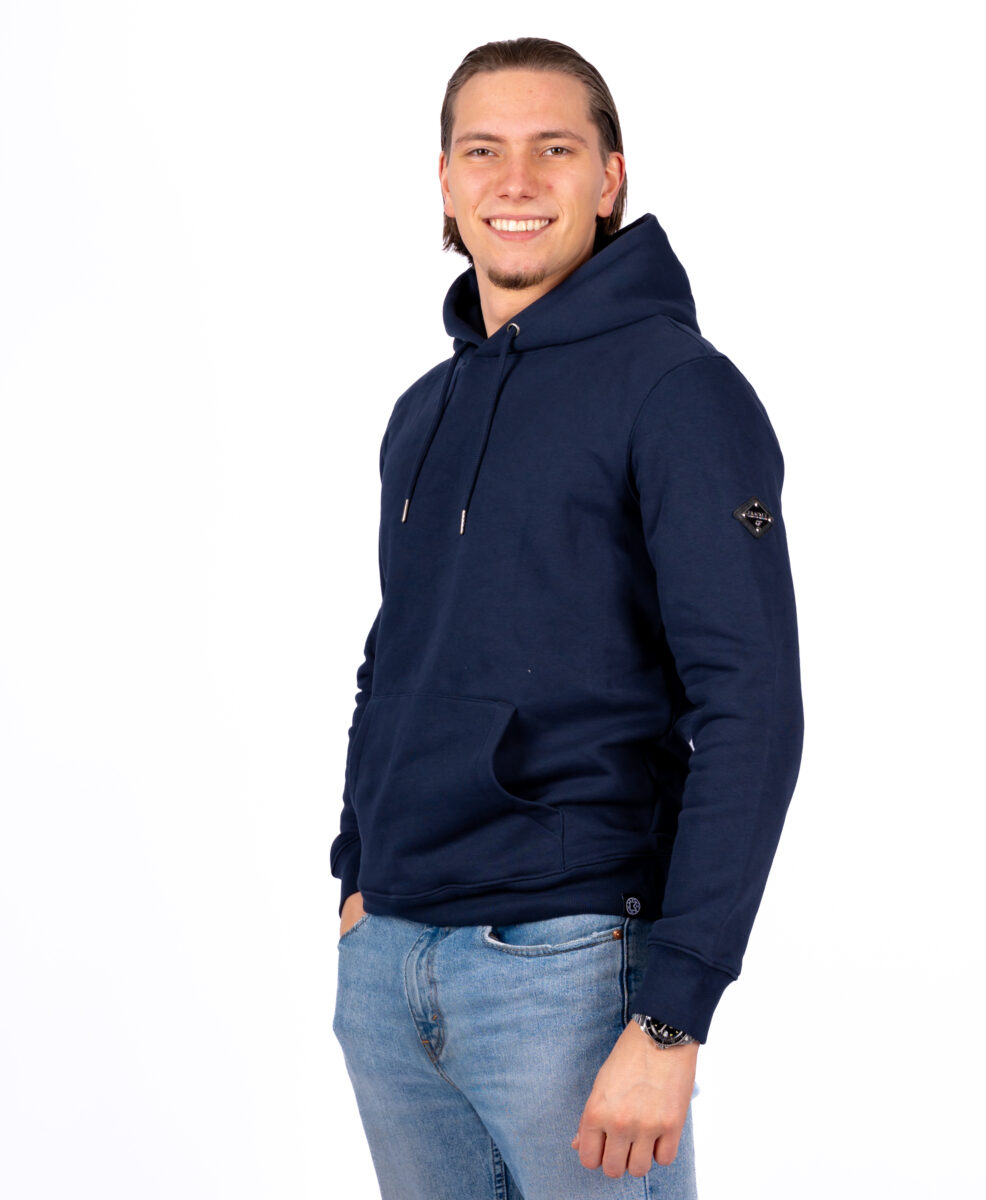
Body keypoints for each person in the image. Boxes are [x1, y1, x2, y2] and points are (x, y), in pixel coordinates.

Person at [330, 36, 804, 1198]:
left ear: (609, 178)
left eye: (554, 149)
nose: (516, 181)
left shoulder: (679, 390)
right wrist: (356, 880)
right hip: (392, 962)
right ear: (446, 183)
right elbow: (394, 656)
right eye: (482, 151)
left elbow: (751, 706)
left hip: (566, 966)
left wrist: (674, 1014)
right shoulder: (424, 409)